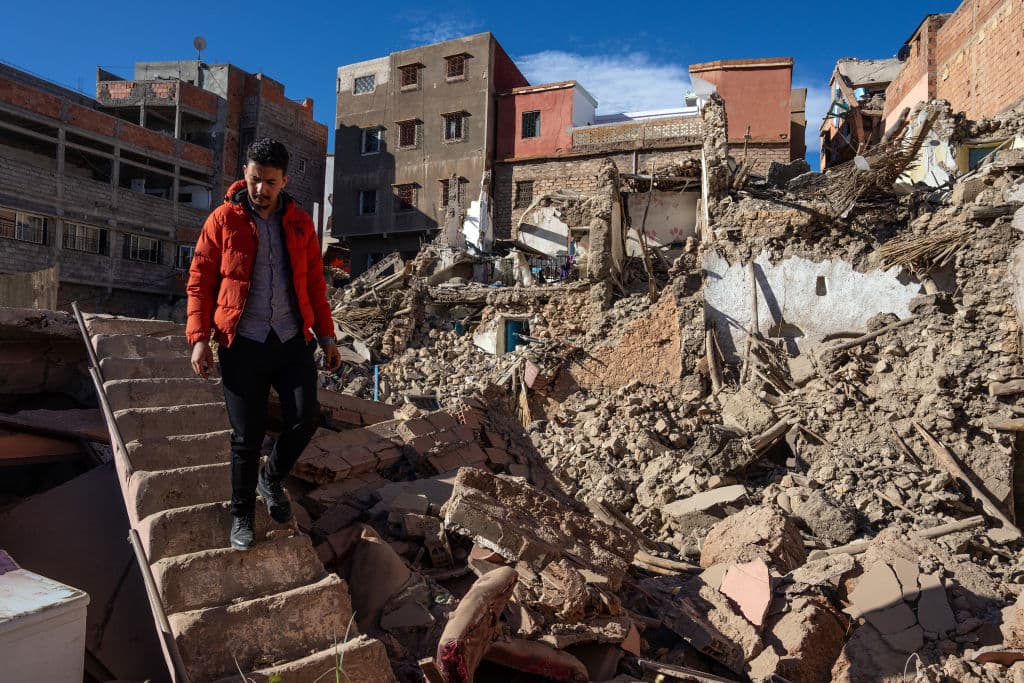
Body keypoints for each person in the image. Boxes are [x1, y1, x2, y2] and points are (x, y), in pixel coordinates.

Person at [186, 138, 342, 550]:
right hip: (242, 342)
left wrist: (326, 336)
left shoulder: (300, 224)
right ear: (246, 175)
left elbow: (314, 283)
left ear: (284, 180)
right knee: (246, 436)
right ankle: (241, 514)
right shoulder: (222, 220)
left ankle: (270, 480)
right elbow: (200, 282)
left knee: (305, 418)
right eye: (254, 179)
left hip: (292, 339)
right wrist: (200, 339)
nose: (260, 189)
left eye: (269, 182)